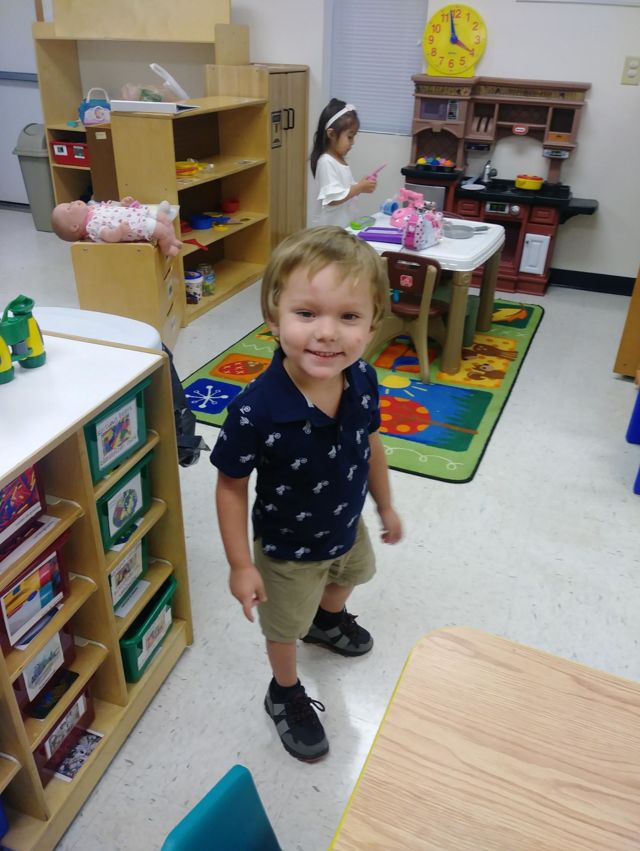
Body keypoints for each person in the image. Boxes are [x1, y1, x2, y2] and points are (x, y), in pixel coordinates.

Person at [211, 226, 403, 762]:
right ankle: (285, 691)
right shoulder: (255, 409)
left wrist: (385, 504)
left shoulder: (362, 379)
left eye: (349, 316)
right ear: (274, 318)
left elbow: (372, 443)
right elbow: (230, 487)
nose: (327, 333)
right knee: (283, 627)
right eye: (306, 313)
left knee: (352, 576)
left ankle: (326, 621)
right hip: (287, 549)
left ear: (373, 324)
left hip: (346, 524)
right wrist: (239, 565)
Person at [310, 99, 377, 228]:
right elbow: (333, 198)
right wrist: (359, 188)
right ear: (331, 134)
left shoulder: (338, 160)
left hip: (343, 227)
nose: (353, 142)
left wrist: (360, 186)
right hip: (330, 231)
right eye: (349, 137)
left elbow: (344, 191)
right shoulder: (326, 162)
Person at [51, 197, 182, 256]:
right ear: (75, 226)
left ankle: (172, 240)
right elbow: (108, 236)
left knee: (164, 218)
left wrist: (122, 204)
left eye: (69, 202)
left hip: (136, 213)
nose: (73, 202)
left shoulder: (93, 208)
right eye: (69, 207)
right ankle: (167, 249)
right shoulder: (92, 226)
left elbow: (112, 209)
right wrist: (119, 232)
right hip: (136, 225)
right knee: (162, 231)